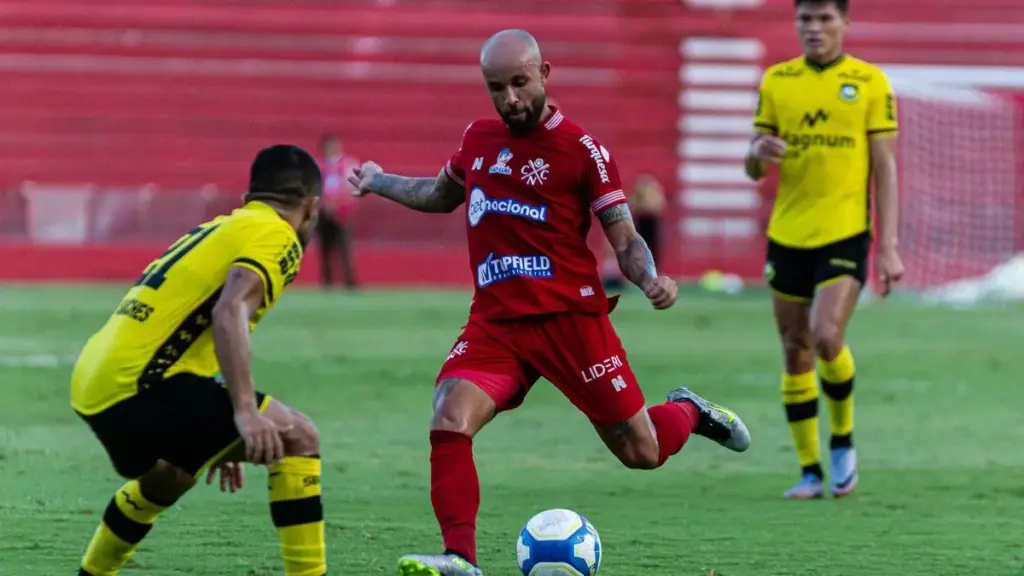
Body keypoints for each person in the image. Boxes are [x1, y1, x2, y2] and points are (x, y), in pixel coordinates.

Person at [349, 29, 751, 576]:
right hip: (496, 323)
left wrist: (649, 278)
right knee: (449, 415)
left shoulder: (582, 151)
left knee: (642, 452)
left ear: (545, 74)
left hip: (570, 322)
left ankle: (689, 411)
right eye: (497, 88)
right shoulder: (478, 138)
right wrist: (378, 181)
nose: (510, 99)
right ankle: (458, 557)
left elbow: (625, 237)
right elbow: (440, 195)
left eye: (519, 83)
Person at [71, 145, 328, 576]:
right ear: (312, 206)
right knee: (298, 438)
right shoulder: (278, 235)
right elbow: (228, 313)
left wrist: (218, 422)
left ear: (250, 198)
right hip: (143, 389)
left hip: (96, 384)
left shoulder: (221, 228)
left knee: (173, 475)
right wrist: (244, 411)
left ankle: (91, 574)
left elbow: (189, 330)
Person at [745, 0, 904, 499]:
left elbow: (885, 168)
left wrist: (889, 247)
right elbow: (753, 166)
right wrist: (755, 153)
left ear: (844, 24)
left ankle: (842, 441)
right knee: (795, 350)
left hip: (845, 233)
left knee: (825, 334)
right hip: (789, 234)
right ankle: (811, 470)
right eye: (805, 20)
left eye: (824, 19)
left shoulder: (870, 83)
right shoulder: (777, 82)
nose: (814, 28)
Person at [315, 133, 360, 289]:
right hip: (323, 212)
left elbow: (352, 187)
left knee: (345, 247)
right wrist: (325, 204)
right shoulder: (318, 165)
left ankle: (349, 281)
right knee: (325, 248)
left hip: (343, 212)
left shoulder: (348, 164)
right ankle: (327, 282)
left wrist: (337, 204)